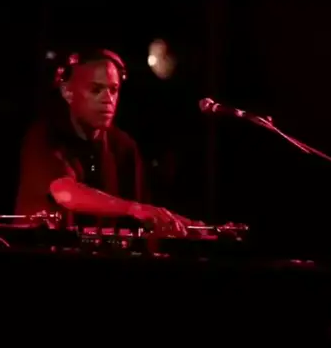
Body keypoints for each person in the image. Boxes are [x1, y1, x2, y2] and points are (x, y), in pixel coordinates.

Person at [15, 48, 196, 233]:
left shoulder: (123, 146)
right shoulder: (44, 135)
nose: (108, 99)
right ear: (67, 91)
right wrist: (133, 209)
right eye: (96, 89)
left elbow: (147, 214)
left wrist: (192, 226)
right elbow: (65, 192)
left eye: (114, 90)